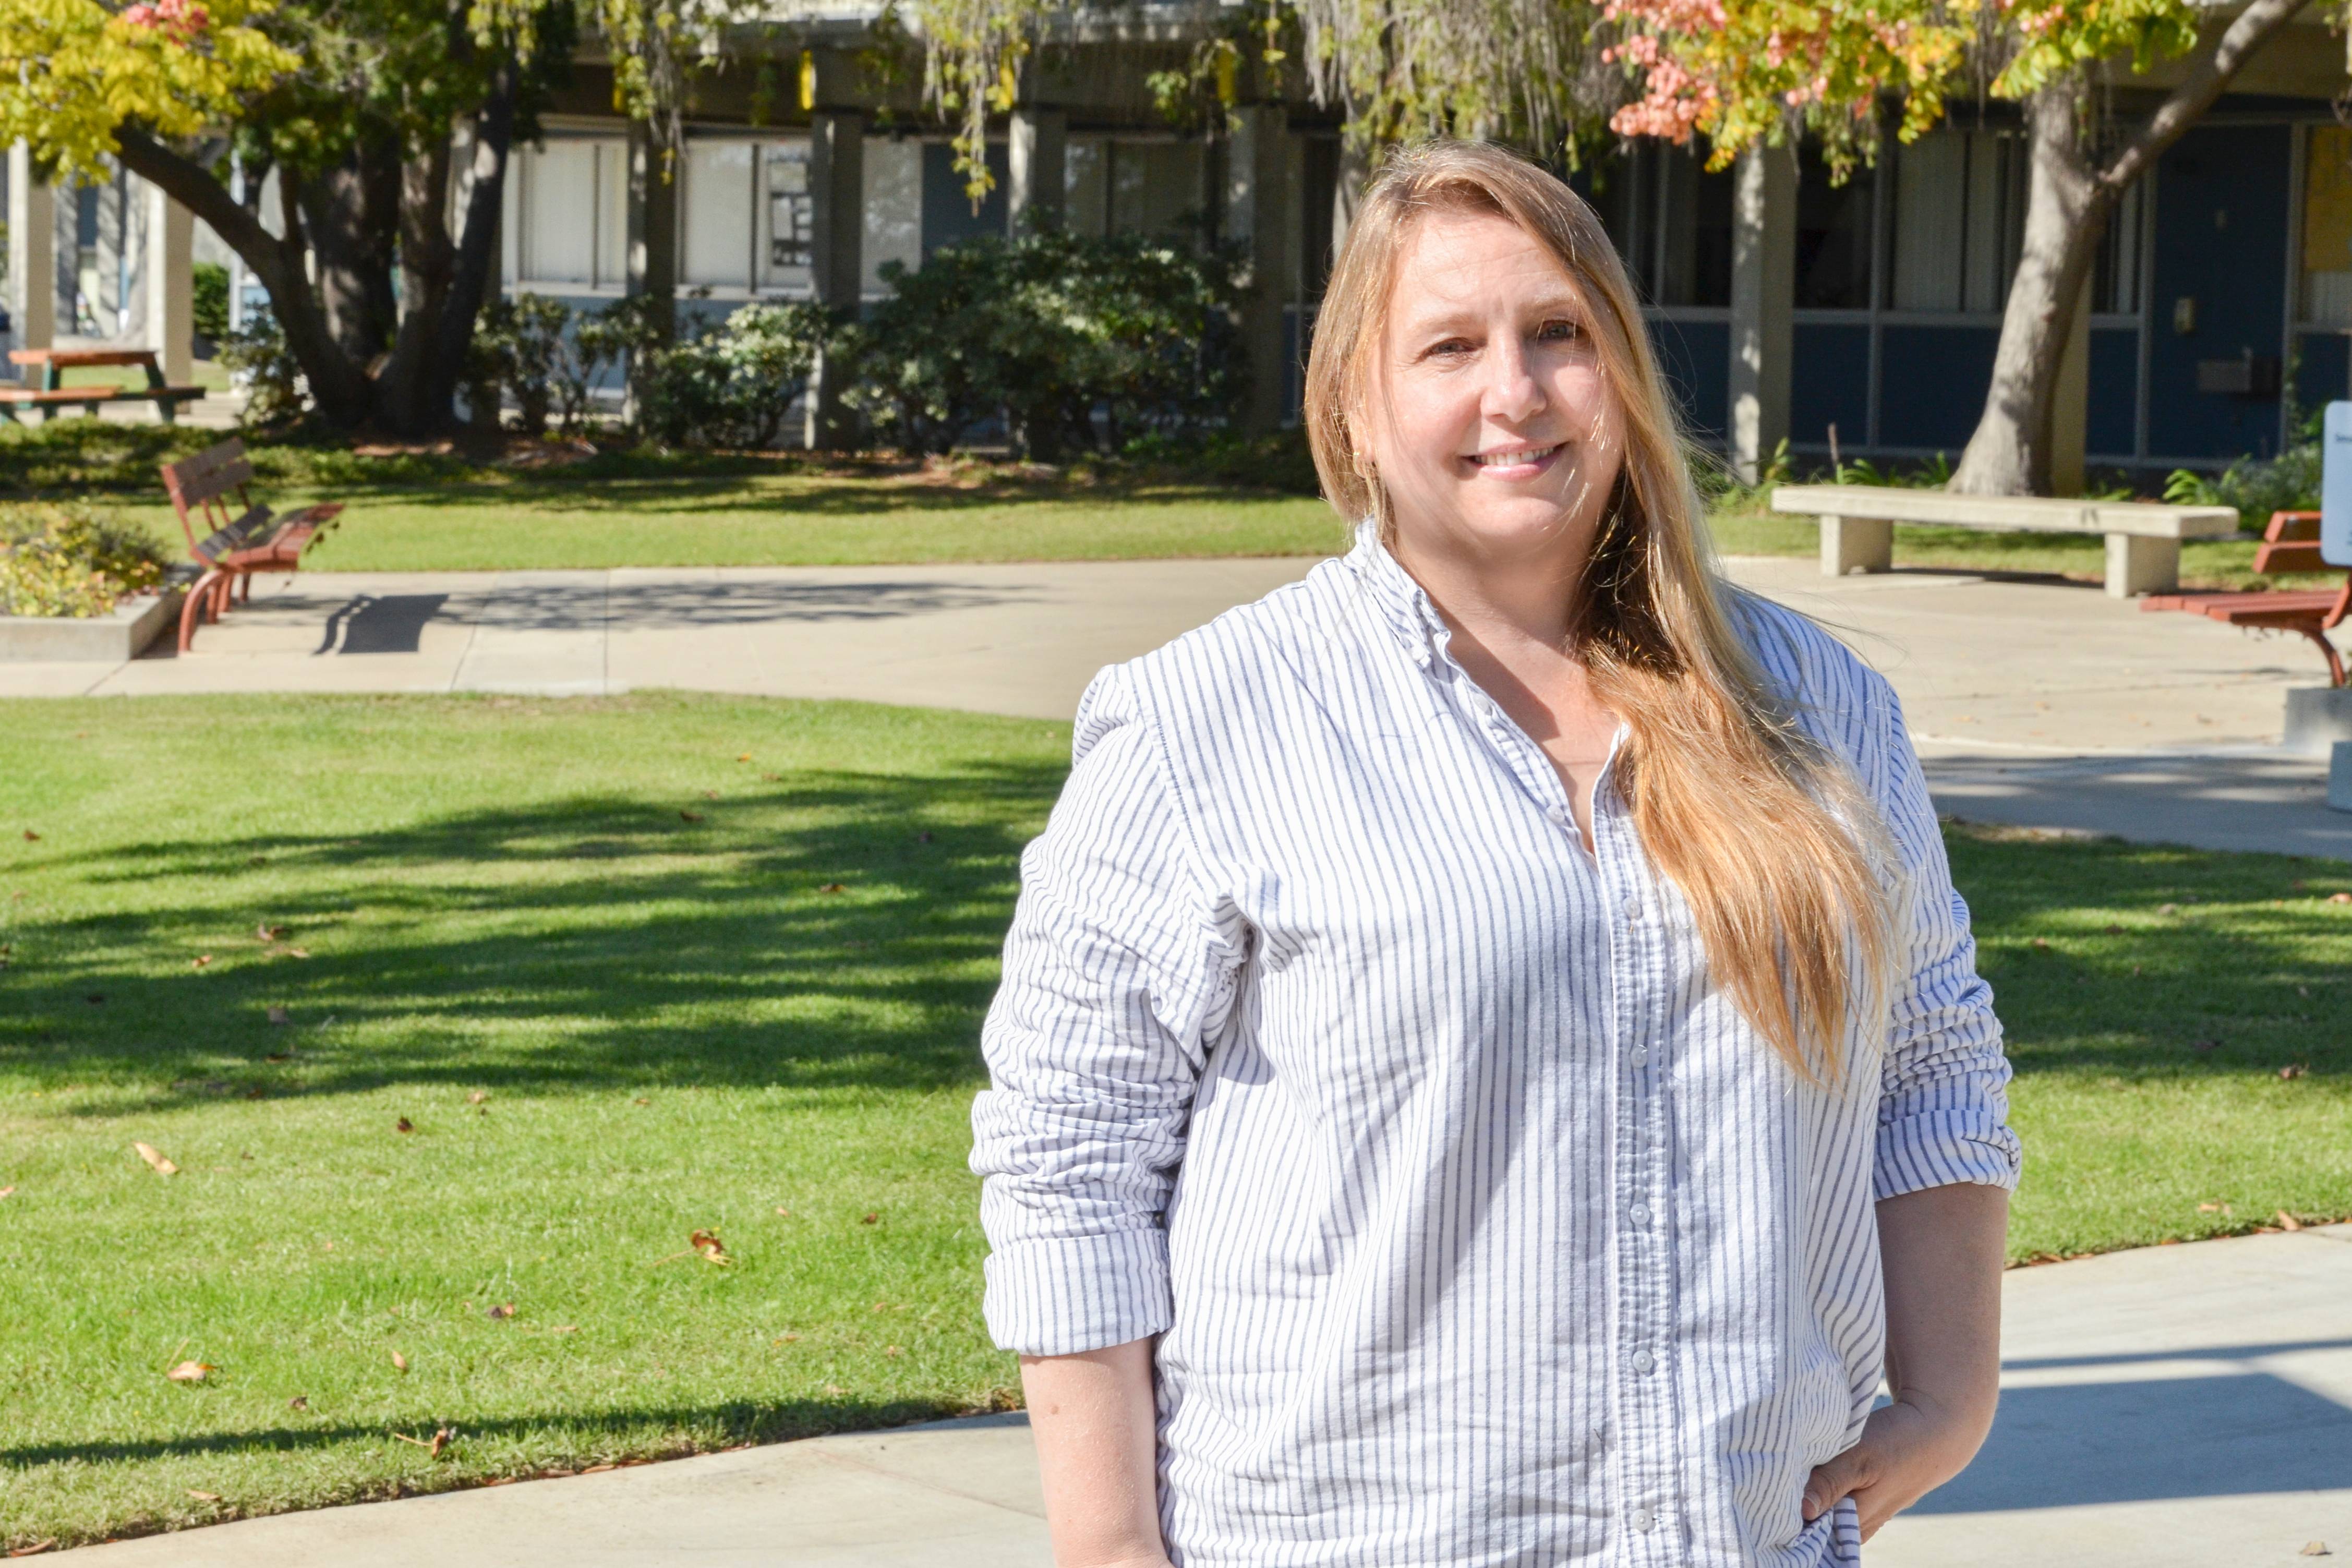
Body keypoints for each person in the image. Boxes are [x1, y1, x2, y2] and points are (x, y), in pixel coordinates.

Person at [969, 138, 2019, 1568]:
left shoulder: (1818, 707)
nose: (1513, 393)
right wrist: (1108, 1550)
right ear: (1356, 402)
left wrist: (1952, 1399)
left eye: (1558, 336)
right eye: (1449, 346)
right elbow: (1069, 1159)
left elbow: (1931, 1058)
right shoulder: (1202, 723)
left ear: (1625, 370)